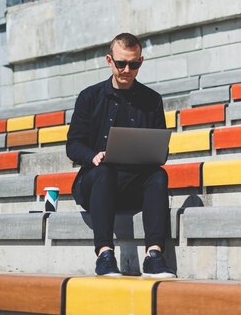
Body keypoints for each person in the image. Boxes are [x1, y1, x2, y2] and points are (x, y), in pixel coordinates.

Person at [66, 32, 176, 278]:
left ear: (141, 62)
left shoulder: (152, 100)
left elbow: (161, 149)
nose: (127, 69)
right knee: (104, 171)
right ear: (109, 60)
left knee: (158, 175)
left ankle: (154, 256)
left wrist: (155, 153)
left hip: (133, 185)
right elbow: (73, 145)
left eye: (134, 64)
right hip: (96, 184)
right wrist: (93, 156)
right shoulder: (89, 97)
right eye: (121, 63)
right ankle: (105, 255)